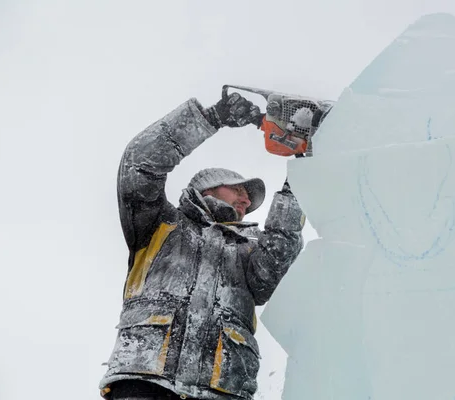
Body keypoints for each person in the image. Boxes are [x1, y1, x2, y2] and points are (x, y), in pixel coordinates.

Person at [99, 91, 306, 400]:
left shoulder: (248, 250)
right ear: (204, 187)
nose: (246, 201)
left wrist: (298, 185)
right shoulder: (158, 223)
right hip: (145, 383)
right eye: (238, 190)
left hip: (222, 391)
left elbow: (271, 274)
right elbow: (140, 164)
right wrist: (211, 117)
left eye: (248, 200)